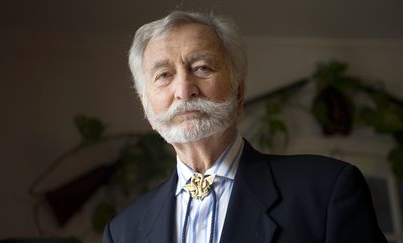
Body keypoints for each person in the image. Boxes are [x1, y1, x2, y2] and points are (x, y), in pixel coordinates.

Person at [103, 11, 387, 243]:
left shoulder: (327, 190)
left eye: (202, 67)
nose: (184, 89)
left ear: (238, 92)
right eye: (164, 75)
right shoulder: (122, 233)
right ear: (147, 110)